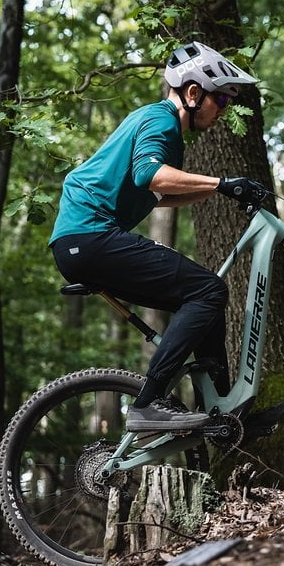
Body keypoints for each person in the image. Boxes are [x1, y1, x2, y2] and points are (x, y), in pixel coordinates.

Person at [49, 42, 268, 432]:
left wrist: (225, 190)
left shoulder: (162, 127)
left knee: (206, 297)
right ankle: (147, 404)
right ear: (193, 92)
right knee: (209, 290)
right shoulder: (161, 120)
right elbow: (148, 176)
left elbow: (160, 196)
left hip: (83, 241)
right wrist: (220, 181)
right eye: (221, 99)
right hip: (89, 235)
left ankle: (220, 411)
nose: (225, 109)